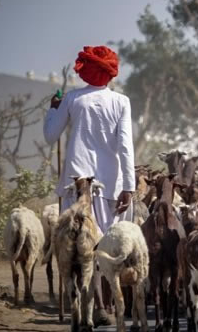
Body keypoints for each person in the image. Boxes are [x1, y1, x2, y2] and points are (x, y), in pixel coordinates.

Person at [44, 45, 135, 232]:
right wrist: (128, 187)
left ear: (85, 71)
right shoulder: (121, 101)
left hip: (76, 185)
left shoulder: (71, 98)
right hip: (110, 186)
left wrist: (53, 109)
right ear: (110, 73)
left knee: (71, 250)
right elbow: (125, 147)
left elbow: (50, 136)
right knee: (107, 250)